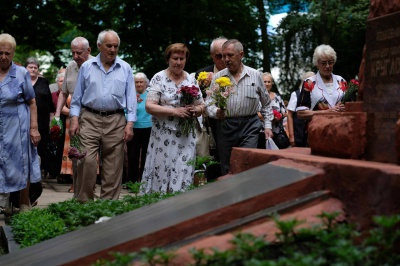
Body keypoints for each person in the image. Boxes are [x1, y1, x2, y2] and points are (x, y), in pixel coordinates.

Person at [69, 30, 136, 202]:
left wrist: (130, 124)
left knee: (113, 167)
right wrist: (74, 119)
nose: (113, 49)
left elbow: (131, 99)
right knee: (86, 162)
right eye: (109, 46)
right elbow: (76, 98)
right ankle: (84, 205)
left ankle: (108, 208)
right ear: (99, 46)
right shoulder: (86, 67)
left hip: (116, 120)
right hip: (90, 118)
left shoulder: (125, 68)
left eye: (116, 46)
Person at [140, 43, 205, 194]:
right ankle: (158, 204)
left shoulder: (191, 79)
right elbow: (149, 106)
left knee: (183, 169)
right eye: (175, 58)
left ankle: (181, 206)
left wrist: (195, 110)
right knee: (162, 169)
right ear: (168, 59)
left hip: (185, 136)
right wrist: (174, 112)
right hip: (163, 135)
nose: (178, 62)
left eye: (182, 58)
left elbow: (202, 106)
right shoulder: (159, 78)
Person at [205, 39, 273, 175]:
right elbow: (209, 104)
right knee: (227, 166)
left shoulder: (255, 75)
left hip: (250, 125)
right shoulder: (218, 77)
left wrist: (267, 126)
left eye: (230, 55)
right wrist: (215, 112)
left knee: (246, 162)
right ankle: (229, 194)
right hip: (225, 126)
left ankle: (247, 193)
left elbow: (266, 103)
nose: (226, 59)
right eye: (223, 56)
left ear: (241, 55)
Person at [0, 33, 41, 212]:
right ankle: (5, 203)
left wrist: (34, 128)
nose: (3, 57)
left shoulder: (21, 73)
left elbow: (31, 101)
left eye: (7, 53)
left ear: (13, 54)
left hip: (18, 126)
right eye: (0, 52)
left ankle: (23, 202)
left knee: (21, 163)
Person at [54, 36, 92, 193]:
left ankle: (87, 190)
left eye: (79, 53)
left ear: (88, 51)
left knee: (89, 155)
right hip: (73, 118)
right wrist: (57, 116)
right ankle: (77, 188)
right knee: (75, 154)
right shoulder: (70, 66)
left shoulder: (97, 65)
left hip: (92, 118)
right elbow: (63, 93)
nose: (75, 57)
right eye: (73, 53)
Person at [296, 45, 346, 132]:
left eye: (330, 62)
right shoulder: (309, 83)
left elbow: (350, 105)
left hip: (340, 129)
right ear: (317, 64)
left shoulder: (341, 81)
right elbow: (301, 113)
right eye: (323, 63)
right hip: (317, 130)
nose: (327, 66)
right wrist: (327, 112)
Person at [195, 36, 228, 160]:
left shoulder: (238, 73)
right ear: (212, 55)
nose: (224, 60)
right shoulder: (201, 74)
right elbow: (195, 99)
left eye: (227, 55)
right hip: (209, 126)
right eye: (219, 56)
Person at [25, 57, 55, 179]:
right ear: (25, 68)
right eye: (30, 67)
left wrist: (52, 119)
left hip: (42, 121)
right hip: (25, 120)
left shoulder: (44, 82)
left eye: (35, 68)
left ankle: (38, 177)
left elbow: (49, 102)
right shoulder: (22, 81)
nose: (33, 69)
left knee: (41, 149)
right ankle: (27, 177)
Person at [125, 72, 152, 185]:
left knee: (147, 155)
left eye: (141, 82)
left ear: (146, 83)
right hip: (134, 128)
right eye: (137, 82)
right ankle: (132, 182)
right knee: (132, 155)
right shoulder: (129, 95)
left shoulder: (150, 94)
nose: (139, 84)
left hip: (148, 128)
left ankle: (145, 182)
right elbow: (125, 111)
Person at [258, 72, 288, 149]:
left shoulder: (277, 96)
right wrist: (270, 118)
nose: (267, 84)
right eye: (264, 82)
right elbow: (255, 114)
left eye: (269, 82)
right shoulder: (257, 96)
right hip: (261, 132)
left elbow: (285, 113)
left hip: (277, 132)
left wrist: (279, 116)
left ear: (272, 83)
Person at [287, 71, 315, 147]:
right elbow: (289, 115)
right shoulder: (296, 94)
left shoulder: (317, 95)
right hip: (299, 134)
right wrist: (291, 136)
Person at [48, 72, 67, 180]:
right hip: (56, 121)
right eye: (61, 81)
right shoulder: (53, 95)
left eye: (64, 81)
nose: (63, 83)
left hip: (66, 121)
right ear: (57, 83)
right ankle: (55, 171)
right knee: (56, 148)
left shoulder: (70, 94)